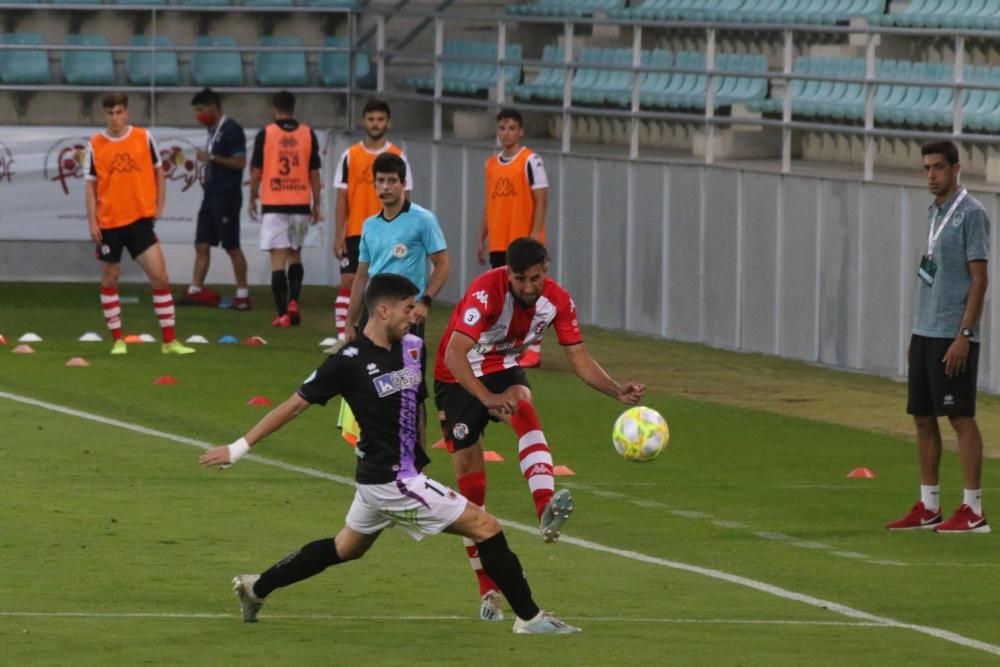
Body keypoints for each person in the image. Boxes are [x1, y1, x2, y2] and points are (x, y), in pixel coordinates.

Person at [197, 273, 579, 634]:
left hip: (390, 478)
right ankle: (530, 618)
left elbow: (419, 403)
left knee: (345, 548)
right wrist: (238, 447)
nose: (415, 315)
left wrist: (425, 456)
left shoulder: (414, 348)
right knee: (487, 527)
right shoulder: (346, 363)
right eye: (408, 308)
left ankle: (256, 587)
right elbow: (293, 406)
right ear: (383, 311)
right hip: (391, 480)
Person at [434, 237, 645, 620]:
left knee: (524, 407)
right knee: (472, 487)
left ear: (545, 270)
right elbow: (453, 352)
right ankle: (487, 590)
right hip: (457, 377)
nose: (528, 287)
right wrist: (484, 398)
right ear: (507, 274)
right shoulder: (485, 292)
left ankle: (544, 506)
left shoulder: (557, 302)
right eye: (520, 279)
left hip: (502, 368)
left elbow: (579, 359)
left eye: (535, 277)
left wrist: (616, 391)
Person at [888, 140, 991, 534]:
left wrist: (964, 334)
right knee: (922, 416)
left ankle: (973, 509)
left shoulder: (971, 215)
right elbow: (929, 276)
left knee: (960, 416)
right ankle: (930, 505)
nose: (931, 175)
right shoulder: (934, 212)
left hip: (952, 333)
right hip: (926, 330)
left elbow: (979, 279)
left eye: (938, 168)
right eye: (926, 168)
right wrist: (917, 331)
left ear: (956, 169)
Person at [84, 92, 195, 356]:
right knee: (110, 277)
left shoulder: (143, 137)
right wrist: (92, 222)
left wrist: (159, 205)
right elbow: (90, 186)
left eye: (119, 112)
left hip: (139, 221)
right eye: (110, 113)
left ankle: (169, 341)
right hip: (109, 222)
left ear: (127, 112)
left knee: (160, 276)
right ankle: (118, 340)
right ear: (104, 115)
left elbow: (159, 170)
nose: (115, 118)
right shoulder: (95, 144)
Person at [344, 152, 448, 342]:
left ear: (403, 184)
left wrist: (425, 302)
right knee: (372, 371)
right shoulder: (369, 225)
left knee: (407, 372)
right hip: (373, 313)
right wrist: (350, 321)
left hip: (407, 313)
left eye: (392, 180)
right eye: (381, 180)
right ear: (374, 184)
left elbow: (442, 265)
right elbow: (361, 276)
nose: (385, 186)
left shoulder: (423, 219)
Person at [332, 98, 414, 340]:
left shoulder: (398, 156)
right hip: (357, 230)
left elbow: (406, 197)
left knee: (382, 285)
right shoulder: (350, 155)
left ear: (388, 123)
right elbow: (341, 198)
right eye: (371, 119)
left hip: (388, 232)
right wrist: (339, 234)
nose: (375, 124)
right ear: (363, 122)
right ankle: (343, 335)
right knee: (349, 279)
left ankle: (381, 333)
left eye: (380, 119)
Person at [478, 108, 549, 368]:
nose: (506, 133)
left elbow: (541, 200)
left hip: (523, 241)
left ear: (520, 131)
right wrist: (482, 236)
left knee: (529, 294)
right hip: (499, 240)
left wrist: (535, 236)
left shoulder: (531, 160)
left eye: (511, 128)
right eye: (502, 128)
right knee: (504, 297)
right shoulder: (491, 164)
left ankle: (534, 348)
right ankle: (511, 347)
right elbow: (489, 202)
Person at [248, 91, 322, 328]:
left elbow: (257, 172)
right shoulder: (307, 134)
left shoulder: (266, 134)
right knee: (295, 255)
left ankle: (282, 315)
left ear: (275, 108)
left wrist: (252, 198)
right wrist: (316, 203)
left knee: (277, 260)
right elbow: (314, 173)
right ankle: (293, 300)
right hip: (300, 203)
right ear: (293, 107)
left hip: (273, 203)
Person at [178, 88, 250, 310]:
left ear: (214, 107)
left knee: (231, 246)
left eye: (201, 109)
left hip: (226, 195)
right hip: (210, 195)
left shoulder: (232, 130)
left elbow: (239, 162)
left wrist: (212, 158)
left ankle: (242, 295)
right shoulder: (212, 130)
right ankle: (195, 290)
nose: (198, 115)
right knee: (201, 244)